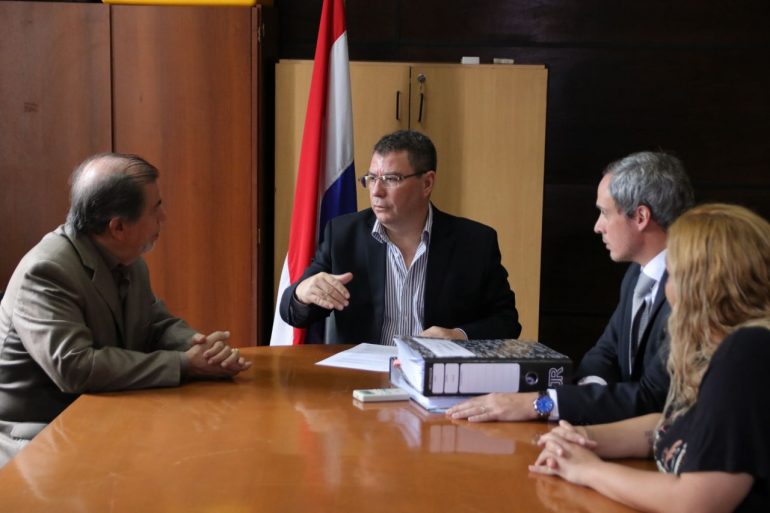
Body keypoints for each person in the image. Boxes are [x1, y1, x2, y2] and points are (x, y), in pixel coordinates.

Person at [0, 153, 251, 467]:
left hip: (103, 415)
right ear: (118, 227)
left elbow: (154, 322)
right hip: (39, 435)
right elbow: (75, 367)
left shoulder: (128, 260)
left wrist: (199, 347)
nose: (164, 217)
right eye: (156, 209)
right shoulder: (46, 271)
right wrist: (184, 364)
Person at [530, 203, 770, 513]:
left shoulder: (748, 351)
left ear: (700, 283)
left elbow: (695, 502)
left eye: (673, 273)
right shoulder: (725, 349)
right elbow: (669, 425)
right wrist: (584, 437)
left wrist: (587, 469)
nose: (667, 287)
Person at [448, 151, 694, 424]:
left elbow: (654, 397)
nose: (597, 227)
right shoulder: (637, 274)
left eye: (604, 213)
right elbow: (604, 354)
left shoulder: (692, 289)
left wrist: (541, 403)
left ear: (641, 217)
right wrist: (583, 401)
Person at [280, 130, 520, 345]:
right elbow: (292, 313)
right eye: (372, 178)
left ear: (427, 183)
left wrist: (458, 336)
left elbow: (507, 321)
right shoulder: (343, 236)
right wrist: (303, 293)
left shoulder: (475, 243)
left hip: (435, 374)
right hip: (363, 374)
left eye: (391, 179)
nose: (376, 191)